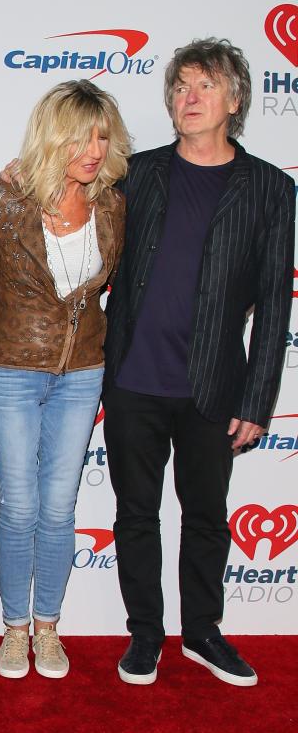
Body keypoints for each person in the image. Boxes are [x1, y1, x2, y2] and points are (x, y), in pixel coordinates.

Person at [102, 39, 294, 687]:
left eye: (204, 86)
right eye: (180, 86)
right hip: (132, 380)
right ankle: (145, 633)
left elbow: (274, 302)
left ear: (233, 100)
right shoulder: (138, 172)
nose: (188, 97)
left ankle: (203, 631)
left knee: (207, 515)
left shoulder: (271, 187)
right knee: (135, 513)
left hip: (214, 385)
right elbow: (72, 213)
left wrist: (257, 397)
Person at [0, 81, 129, 680]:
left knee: (60, 508)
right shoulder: (3, 202)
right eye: (79, 136)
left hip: (82, 371)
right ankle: (14, 629)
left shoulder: (112, 203)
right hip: (12, 368)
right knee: (18, 508)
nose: (93, 149)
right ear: (50, 137)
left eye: (101, 135)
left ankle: (48, 626)